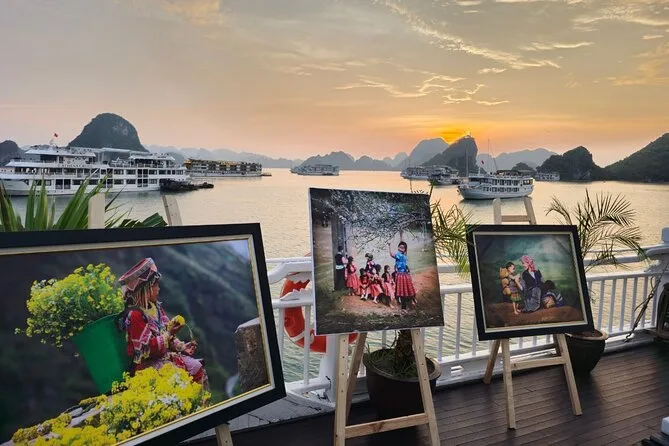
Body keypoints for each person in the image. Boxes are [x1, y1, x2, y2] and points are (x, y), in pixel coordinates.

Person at [118, 258, 208, 387]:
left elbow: (166, 333)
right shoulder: (135, 315)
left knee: (198, 368)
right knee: (178, 380)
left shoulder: (156, 307)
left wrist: (181, 347)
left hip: (164, 357)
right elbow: (145, 350)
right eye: (155, 285)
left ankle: (200, 400)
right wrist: (169, 333)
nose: (159, 289)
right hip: (148, 365)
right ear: (146, 289)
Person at [388, 241, 416, 310]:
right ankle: (412, 300)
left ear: (404, 249)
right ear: (398, 247)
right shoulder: (404, 255)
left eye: (402, 248)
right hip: (406, 275)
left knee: (401, 291)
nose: (400, 249)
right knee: (407, 289)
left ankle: (404, 307)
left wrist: (389, 246)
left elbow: (391, 254)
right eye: (399, 247)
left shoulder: (399, 255)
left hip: (401, 275)